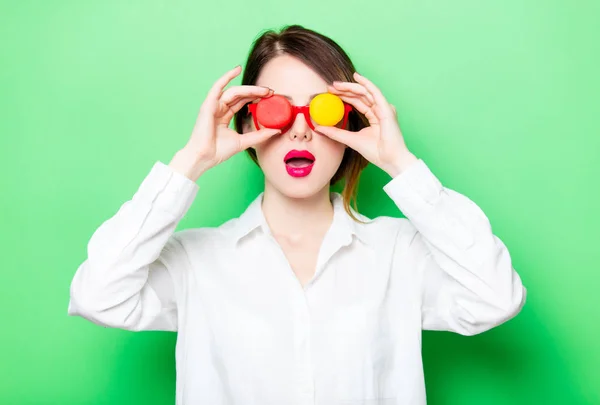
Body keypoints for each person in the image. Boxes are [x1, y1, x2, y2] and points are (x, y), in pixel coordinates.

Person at [68, 24, 526, 405]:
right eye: (277, 111)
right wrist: (191, 160)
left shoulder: (399, 253)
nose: (302, 131)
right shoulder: (196, 262)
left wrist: (400, 163)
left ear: (349, 125)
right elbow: (98, 296)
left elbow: (495, 298)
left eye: (323, 110)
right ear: (246, 124)